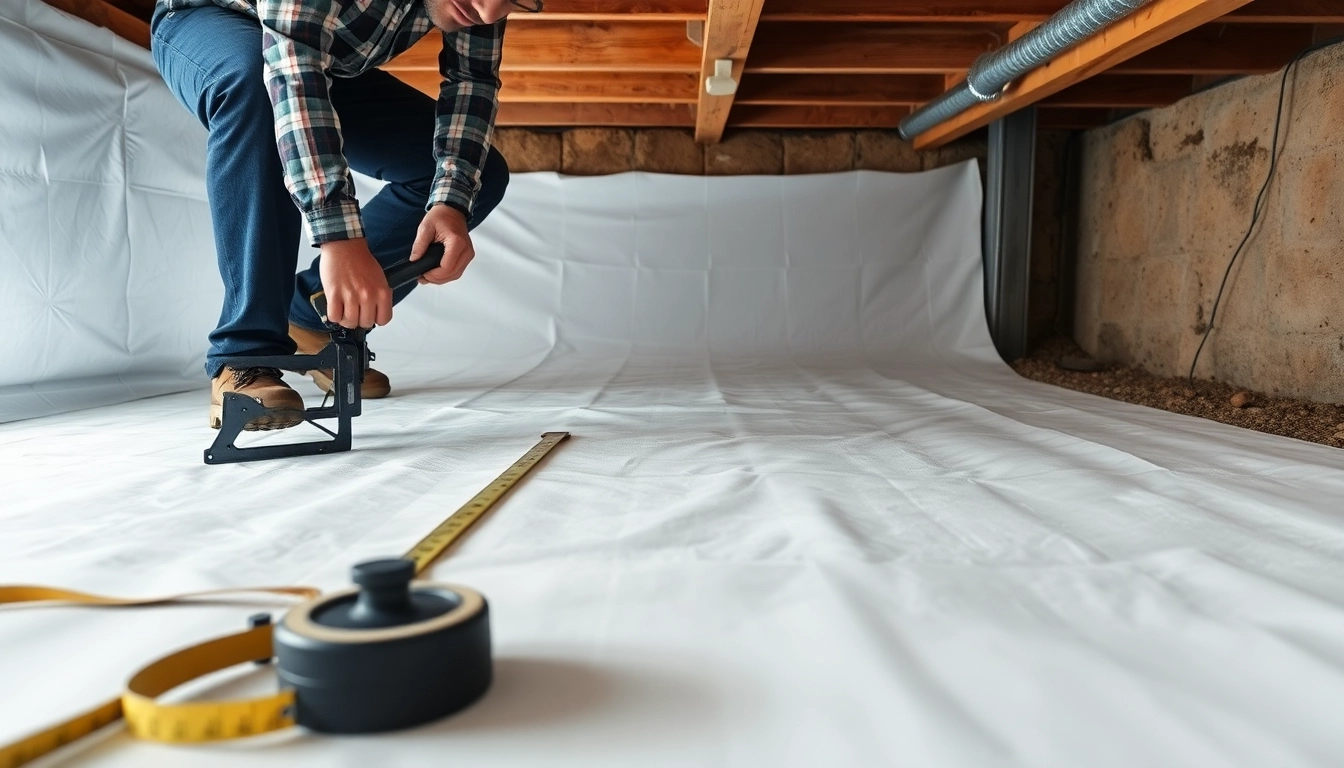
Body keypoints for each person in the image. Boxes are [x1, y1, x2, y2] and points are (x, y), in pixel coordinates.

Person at [150, 0, 538, 430]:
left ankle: (310, 319)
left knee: (475, 174)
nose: (488, 13)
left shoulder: (483, 4)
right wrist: (341, 238)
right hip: (212, 24)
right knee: (254, 80)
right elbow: (290, 74)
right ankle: (245, 356)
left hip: (318, 58)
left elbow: (472, 82)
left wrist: (449, 201)